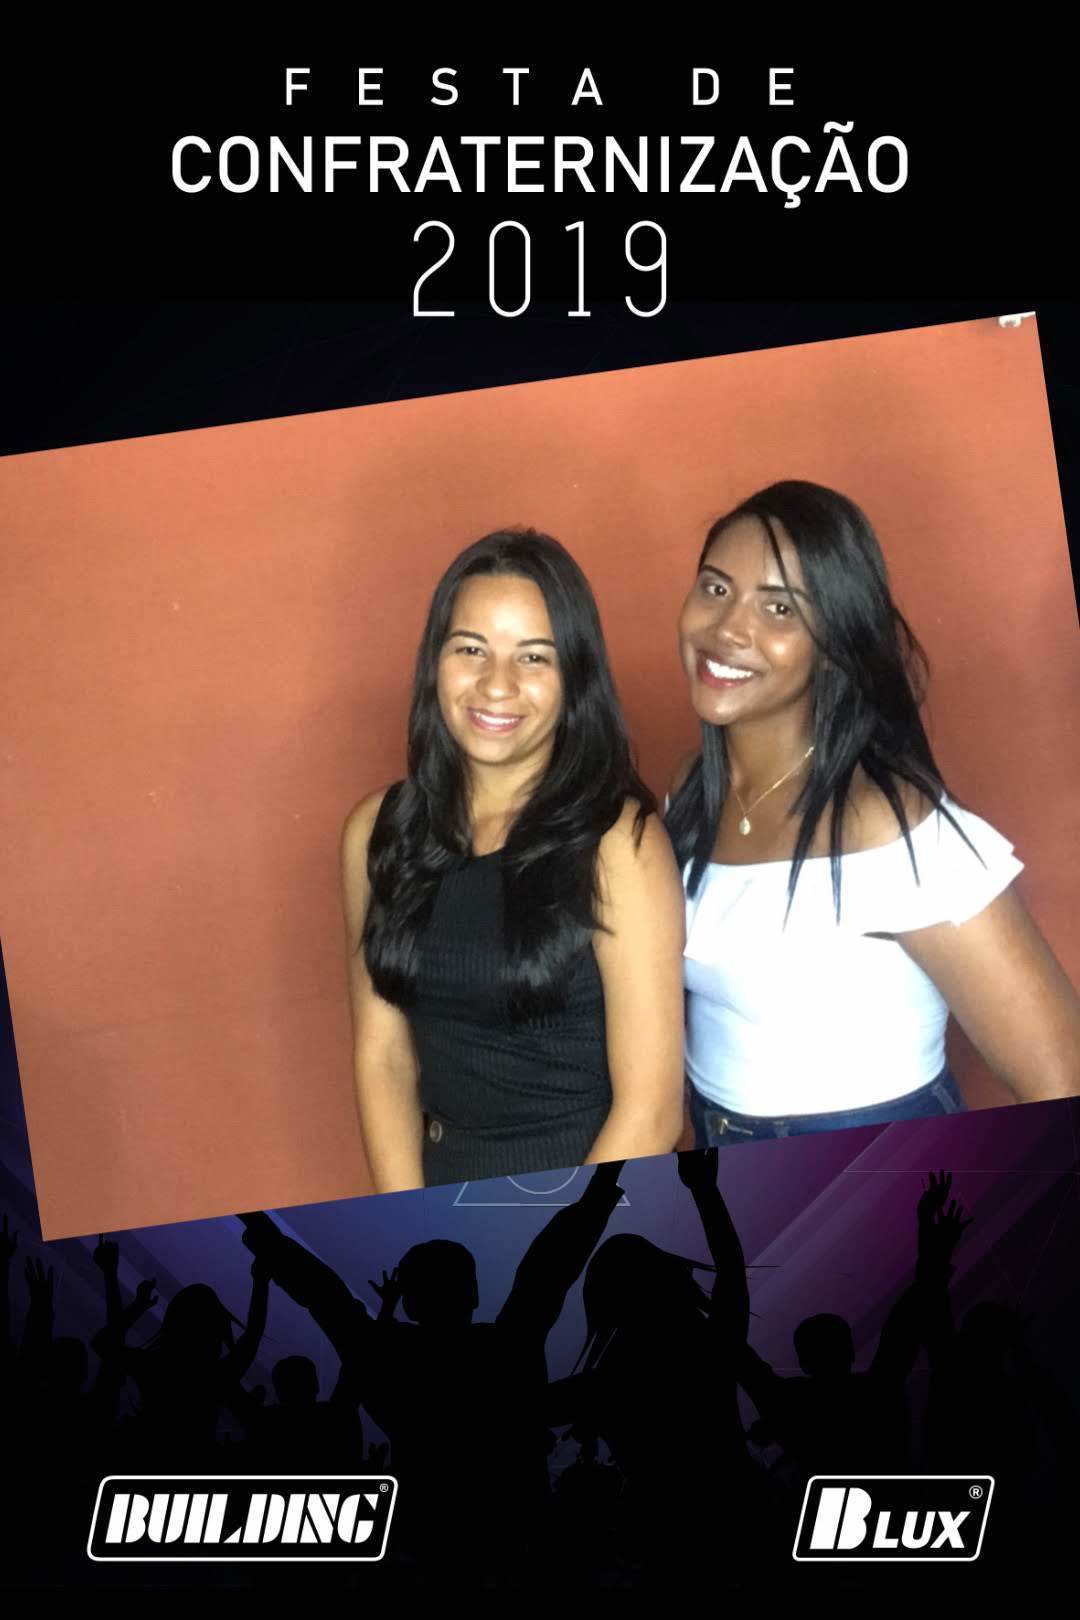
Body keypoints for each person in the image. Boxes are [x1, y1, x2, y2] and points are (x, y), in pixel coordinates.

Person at [665, 481, 1079, 1145]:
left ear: (835, 638)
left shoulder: (894, 828)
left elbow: (1060, 1076)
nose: (728, 629)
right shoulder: (692, 788)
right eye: (716, 588)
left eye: (779, 608)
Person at [342, 528, 685, 1191]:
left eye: (533, 657)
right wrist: (409, 1225)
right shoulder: (377, 832)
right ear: (435, 662)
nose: (496, 685)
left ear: (574, 678)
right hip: (443, 1204)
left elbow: (651, 1114)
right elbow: (383, 1057)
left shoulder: (619, 843)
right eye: (470, 649)